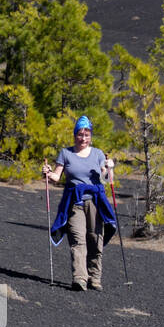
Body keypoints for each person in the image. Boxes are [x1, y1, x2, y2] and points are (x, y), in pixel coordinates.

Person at [42, 115, 117, 291]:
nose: (83, 138)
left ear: (91, 136)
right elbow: (56, 177)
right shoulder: (66, 153)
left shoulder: (98, 154)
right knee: (77, 239)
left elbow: (107, 179)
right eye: (80, 134)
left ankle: (95, 278)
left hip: (95, 202)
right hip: (75, 202)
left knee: (95, 239)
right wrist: (47, 172)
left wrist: (110, 168)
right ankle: (80, 278)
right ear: (75, 134)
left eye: (87, 135)